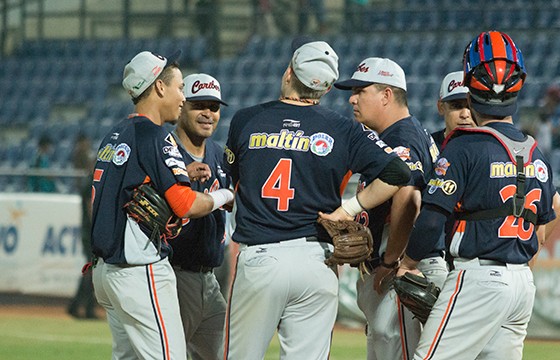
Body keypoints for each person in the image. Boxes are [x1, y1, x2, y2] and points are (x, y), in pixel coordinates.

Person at [223, 41, 410, 359]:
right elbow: (398, 172)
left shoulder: (246, 120)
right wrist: (348, 209)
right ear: (324, 88)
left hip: (260, 256)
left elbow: (231, 185)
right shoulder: (344, 129)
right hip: (317, 260)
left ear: (288, 74)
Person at [400, 31, 560, 360]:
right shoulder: (535, 152)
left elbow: (431, 220)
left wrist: (405, 264)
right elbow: (551, 213)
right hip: (521, 285)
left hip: (479, 277)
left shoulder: (464, 145)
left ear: (470, 83)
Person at [91, 50, 234, 360]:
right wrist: (225, 196)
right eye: (179, 87)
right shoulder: (155, 136)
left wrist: (176, 175)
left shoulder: (115, 134)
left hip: (105, 272)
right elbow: (184, 205)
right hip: (137, 269)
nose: (182, 96)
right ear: (159, 87)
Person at [333, 57, 445, 360]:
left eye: (361, 90)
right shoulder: (406, 132)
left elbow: (409, 196)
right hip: (397, 263)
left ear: (386, 95)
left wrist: (391, 260)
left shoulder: (401, 136)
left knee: (395, 350)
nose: (352, 98)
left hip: (398, 267)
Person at [167, 73, 232, 360]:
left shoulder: (218, 154)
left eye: (214, 107)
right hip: (173, 274)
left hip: (209, 279)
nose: (208, 114)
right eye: (199, 105)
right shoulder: (165, 150)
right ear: (182, 107)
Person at [67, 134, 98, 319]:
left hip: (87, 232)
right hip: (91, 232)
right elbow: (91, 209)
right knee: (92, 270)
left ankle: (77, 306)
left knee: (91, 269)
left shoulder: (88, 181)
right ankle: (86, 308)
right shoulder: (92, 183)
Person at [431, 70, 473, 150]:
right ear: (441, 107)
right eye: (456, 106)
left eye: (471, 107)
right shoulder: (427, 147)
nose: (464, 114)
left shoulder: (493, 146)